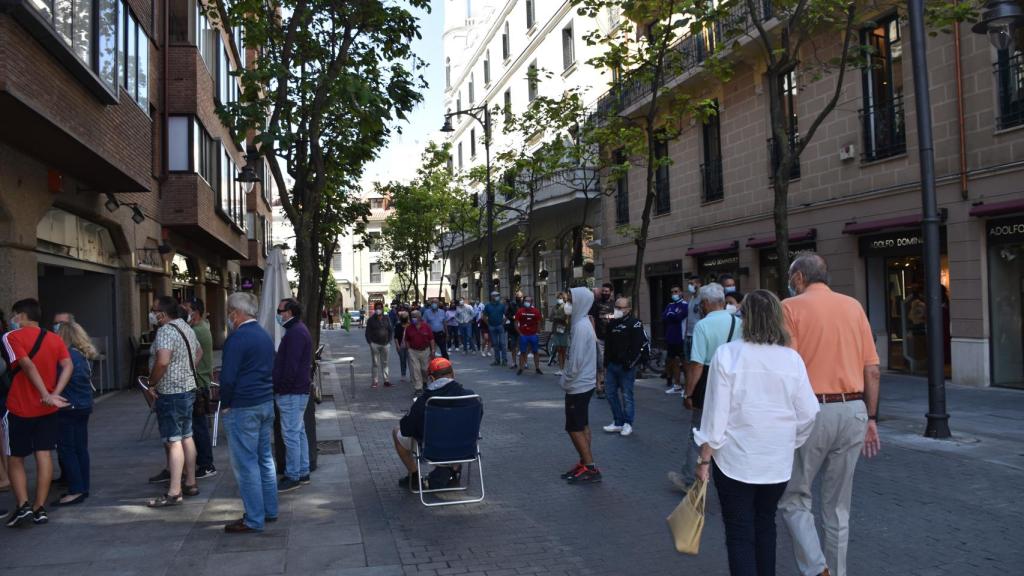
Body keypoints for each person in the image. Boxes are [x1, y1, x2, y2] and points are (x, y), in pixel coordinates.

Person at [694, 289, 820, 576]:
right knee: (766, 525)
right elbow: (809, 413)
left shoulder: (727, 355)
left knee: (740, 533)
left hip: (734, 460)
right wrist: (790, 440)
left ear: (745, 319)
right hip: (776, 462)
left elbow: (715, 417)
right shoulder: (791, 359)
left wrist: (703, 460)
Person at [778, 254, 881, 576]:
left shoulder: (790, 308)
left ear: (798, 278)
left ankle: (815, 566)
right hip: (854, 411)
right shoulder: (853, 306)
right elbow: (873, 369)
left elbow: (788, 367)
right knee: (838, 507)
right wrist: (872, 417)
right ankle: (836, 571)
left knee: (795, 496)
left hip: (811, 409)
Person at [3, 298, 71, 526]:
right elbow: (67, 365)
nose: (12, 320)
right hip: (46, 409)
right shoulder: (53, 338)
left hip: (20, 407)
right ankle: (39, 507)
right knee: (44, 455)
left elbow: (26, 365)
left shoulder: (12, 337)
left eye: (14, 316)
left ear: (20, 316)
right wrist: (54, 394)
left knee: (15, 458)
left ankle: (23, 505)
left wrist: (45, 393)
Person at [668, 283, 741, 493]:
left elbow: (697, 364)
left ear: (707, 303)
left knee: (698, 431)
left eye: (701, 303)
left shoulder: (703, 326)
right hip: (735, 379)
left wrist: (688, 392)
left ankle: (690, 478)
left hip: (710, 379)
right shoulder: (739, 322)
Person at [221, 292, 278, 532]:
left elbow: (228, 378)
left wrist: (225, 403)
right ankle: (269, 510)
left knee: (247, 464)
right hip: (265, 402)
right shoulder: (264, 334)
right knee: (265, 459)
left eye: (229, 313)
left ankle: (254, 518)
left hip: (244, 406)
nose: (228, 317)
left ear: (236, 312)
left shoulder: (237, 338)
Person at [145, 296, 201, 508]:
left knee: (173, 439)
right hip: (188, 390)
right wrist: (187, 371)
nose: (152, 314)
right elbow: (198, 352)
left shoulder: (166, 331)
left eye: (154, 310)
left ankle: (174, 491)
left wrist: (152, 383)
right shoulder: (186, 327)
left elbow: (162, 361)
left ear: (162, 313)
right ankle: (191, 482)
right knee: (187, 436)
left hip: (170, 392)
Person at [393, 357, 477, 489]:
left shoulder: (424, 402)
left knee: (396, 431)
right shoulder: (470, 397)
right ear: (453, 374)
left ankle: (414, 475)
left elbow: (406, 429)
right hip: (464, 448)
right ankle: (453, 470)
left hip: (433, 451)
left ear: (431, 378)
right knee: (454, 432)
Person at [53, 319, 98, 506]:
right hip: (83, 405)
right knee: (80, 448)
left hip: (67, 406)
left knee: (67, 450)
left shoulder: (66, 357)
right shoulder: (83, 355)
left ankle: (76, 490)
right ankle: (82, 487)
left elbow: (55, 379)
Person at [559, 287, 601, 484]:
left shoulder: (580, 327)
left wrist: (565, 380)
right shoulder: (582, 323)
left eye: (570, 300)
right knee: (582, 424)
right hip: (584, 383)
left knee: (574, 427)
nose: (567, 304)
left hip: (578, 384)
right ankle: (585, 462)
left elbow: (575, 361)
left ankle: (590, 467)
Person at [273, 298, 313, 493]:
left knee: (291, 434)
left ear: (289, 312)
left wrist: (282, 387)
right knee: (298, 432)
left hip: (292, 392)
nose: (278, 314)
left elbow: (291, 366)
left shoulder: (295, 333)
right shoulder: (297, 330)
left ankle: (293, 475)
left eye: (279, 311)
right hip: (296, 390)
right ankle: (302, 471)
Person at [601, 298, 644, 437]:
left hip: (626, 367)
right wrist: (606, 364)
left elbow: (638, 346)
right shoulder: (612, 324)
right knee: (610, 393)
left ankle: (628, 423)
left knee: (627, 395)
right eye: (616, 307)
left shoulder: (635, 324)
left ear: (628, 309)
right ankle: (618, 421)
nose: (618, 309)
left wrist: (630, 363)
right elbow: (608, 345)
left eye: (621, 307)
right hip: (612, 365)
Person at [185, 298, 217, 478]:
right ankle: (204, 463)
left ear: (195, 312)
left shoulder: (195, 331)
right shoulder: (203, 327)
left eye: (187, 309)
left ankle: (206, 464)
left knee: (199, 427)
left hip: (197, 383)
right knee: (200, 425)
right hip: (201, 382)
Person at [588, 283, 615, 399]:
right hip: (599, 337)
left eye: (607, 291)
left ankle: (607, 385)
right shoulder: (596, 304)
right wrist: (593, 333)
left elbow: (618, 317)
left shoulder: (614, 304)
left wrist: (608, 318)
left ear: (611, 292)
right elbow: (592, 318)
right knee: (600, 363)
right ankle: (599, 386)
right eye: (603, 291)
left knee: (609, 364)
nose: (604, 293)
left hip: (612, 338)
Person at [662, 285, 689, 394]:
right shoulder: (670, 305)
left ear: (681, 292)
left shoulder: (685, 305)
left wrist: (671, 315)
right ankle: (677, 385)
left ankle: (687, 387)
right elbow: (664, 317)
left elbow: (679, 317)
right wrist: (671, 315)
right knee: (673, 362)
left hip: (681, 337)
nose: (674, 294)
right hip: (671, 337)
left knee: (684, 362)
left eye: (676, 291)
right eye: (672, 292)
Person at [404, 309, 435, 394]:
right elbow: (406, 339)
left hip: (425, 351)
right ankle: (418, 388)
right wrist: (409, 349)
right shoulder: (409, 328)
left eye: (415, 316)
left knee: (424, 369)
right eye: (412, 316)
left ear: (419, 317)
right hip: (413, 351)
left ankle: (425, 382)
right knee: (416, 369)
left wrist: (433, 350)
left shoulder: (426, 326)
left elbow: (431, 339)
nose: (413, 318)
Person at [365, 302, 393, 389]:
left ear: (382, 309)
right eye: (377, 308)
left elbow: (390, 330)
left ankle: (386, 381)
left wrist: (389, 341)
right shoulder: (371, 319)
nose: (378, 310)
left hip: (385, 344)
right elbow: (367, 333)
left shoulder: (386, 318)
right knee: (375, 364)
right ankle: (375, 381)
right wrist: (370, 343)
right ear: (374, 309)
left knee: (385, 363)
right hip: (375, 344)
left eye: (380, 308)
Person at [514, 296, 543, 376]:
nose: (527, 302)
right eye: (526, 301)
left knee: (535, 351)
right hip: (524, 335)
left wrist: (537, 331)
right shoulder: (520, 311)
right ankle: (521, 368)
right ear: (524, 302)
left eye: (529, 301)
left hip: (533, 334)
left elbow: (539, 322)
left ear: (532, 302)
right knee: (522, 352)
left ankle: (537, 368)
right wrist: (520, 333)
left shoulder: (536, 311)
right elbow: (516, 323)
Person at [483, 292, 507, 366]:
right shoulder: (487, 306)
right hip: (492, 327)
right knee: (495, 344)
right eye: (495, 296)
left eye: (498, 295)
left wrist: (503, 323)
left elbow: (506, 315)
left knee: (502, 343)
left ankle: (504, 360)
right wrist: (488, 324)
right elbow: (484, 316)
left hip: (500, 326)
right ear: (492, 297)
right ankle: (497, 360)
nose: (497, 297)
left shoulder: (502, 305)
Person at [550, 293, 570, 374]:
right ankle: (560, 369)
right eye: (558, 298)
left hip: (564, 330)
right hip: (556, 330)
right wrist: (557, 317)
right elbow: (550, 317)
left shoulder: (566, 306)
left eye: (560, 298)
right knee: (558, 349)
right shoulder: (554, 307)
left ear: (564, 298)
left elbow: (565, 318)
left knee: (563, 349)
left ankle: (564, 368)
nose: (559, 299)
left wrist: (556, 317)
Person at [394, 310, 410, 383]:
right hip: (401, 346)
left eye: (405, 317)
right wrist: (397, 346)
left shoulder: (410, 325)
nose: (404, 318)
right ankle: (403, 375)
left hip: (410, 346)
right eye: (403, 317)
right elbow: (396, 337)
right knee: (402, 361)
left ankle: (412, 375)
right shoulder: (398, 325)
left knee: (411, 361)